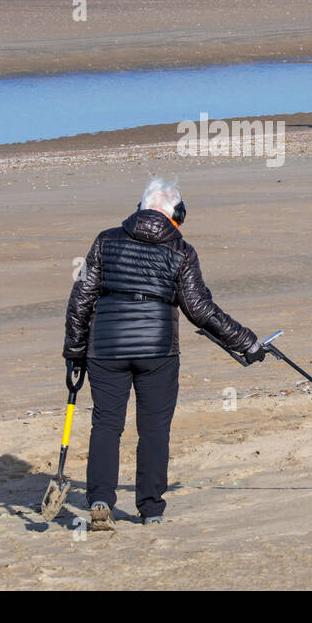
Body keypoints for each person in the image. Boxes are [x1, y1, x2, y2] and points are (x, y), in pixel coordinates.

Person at [63, 178, 263, 530]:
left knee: (106, 425)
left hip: (106, 349)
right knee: (154, 428)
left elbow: (81, 298)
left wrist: (75, 351)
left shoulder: (106, 239)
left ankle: (99, 501)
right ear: (176, 215)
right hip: (157, 350)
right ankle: (151, 508)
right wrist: (246, 341)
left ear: (140, 207)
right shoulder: (181, 250)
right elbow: (200, 310)